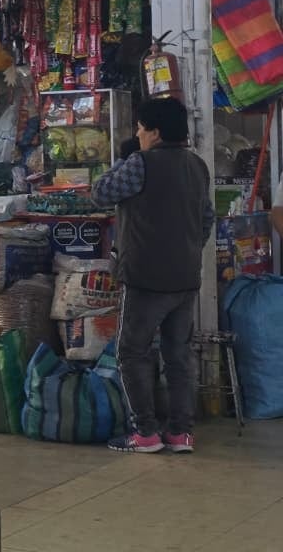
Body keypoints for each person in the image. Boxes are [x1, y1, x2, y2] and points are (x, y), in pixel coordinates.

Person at [90, 97, 214, 455]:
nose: (138, 135)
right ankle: (180, 433)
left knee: (132, 352)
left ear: (155, 133)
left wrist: (127, 157)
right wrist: (187, 249)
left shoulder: (140, 163)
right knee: (178, 356)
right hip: (186, 277)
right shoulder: (197, 165)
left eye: (141, 130)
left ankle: (144, 432)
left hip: (145, 278)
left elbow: (100, 193)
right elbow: (206, 219)